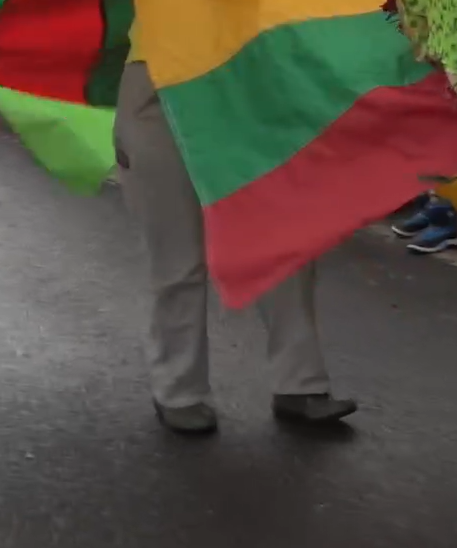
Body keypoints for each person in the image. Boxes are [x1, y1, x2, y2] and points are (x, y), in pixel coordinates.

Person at [115, 62, 357, 434]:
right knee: (177, 261)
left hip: (249, 92)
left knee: (286, 247)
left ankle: (300, 385)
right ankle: (177, 391)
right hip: (159, 97)